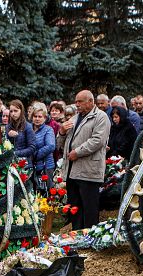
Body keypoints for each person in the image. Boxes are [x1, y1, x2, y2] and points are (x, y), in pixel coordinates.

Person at [56, 90, 109, 230]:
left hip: (89, 172)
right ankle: (77, 235)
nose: (77, 104)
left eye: (80, 101)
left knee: (89, 209)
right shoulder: (74, 118)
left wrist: (77, 152)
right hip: (72, 171)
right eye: (76, 101)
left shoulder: (101, 117)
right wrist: (61, 132)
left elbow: (97, 141)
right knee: (75, 209)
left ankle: (90, 238)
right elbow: (60, 144)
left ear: (90, 102)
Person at [30, 104, 55, 193]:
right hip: (30, 167)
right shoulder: (28, 129)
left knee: (45, 193)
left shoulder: (48, 129)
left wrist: (34, 155)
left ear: (45, 118)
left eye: (40, 117)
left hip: (45, 167)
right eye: (35, 116)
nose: (37, 119)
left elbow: (51, 146)